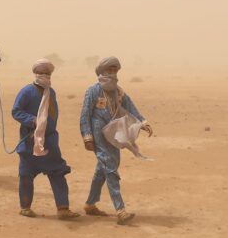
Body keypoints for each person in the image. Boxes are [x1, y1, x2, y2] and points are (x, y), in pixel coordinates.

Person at [80, 57, 153, 225]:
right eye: (109, 71)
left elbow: (131, 107)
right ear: (101, 72)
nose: (112, 74)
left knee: (103, 168)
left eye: (114, 71)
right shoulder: (93, 91)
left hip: (114, 133)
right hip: (98, 133)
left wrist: (143, 122)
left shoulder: (119, 92)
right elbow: (84, 115)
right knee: (110, 168)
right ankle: (120, 210)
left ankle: (90, 204)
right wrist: (87, 136)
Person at [11, 59, 80, 219]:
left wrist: (47, 128)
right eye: (41, 73)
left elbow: (53, 115)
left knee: (57, 172)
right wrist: (32, 120)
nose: (44, 75)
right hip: (29, 142)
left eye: (47, 73)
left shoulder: (51, 92)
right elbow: (16, 111)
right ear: (35, 74)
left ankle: (63, 209)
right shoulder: (26, 91)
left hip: (49, 142)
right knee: (26, 175)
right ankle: (25, 207)